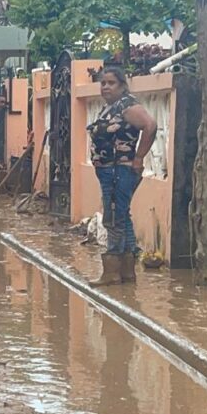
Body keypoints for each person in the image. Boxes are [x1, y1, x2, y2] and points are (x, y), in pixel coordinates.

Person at [86, 66, 158, 286]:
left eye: (111, 83)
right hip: (110, 170)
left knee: (114, 216)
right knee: (122, 216)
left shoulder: (127, 105)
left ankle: (112, 271)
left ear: (122, 86)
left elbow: (150, 126)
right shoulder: (112, 107)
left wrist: (138, 158)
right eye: (103, 83)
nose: (106, 87)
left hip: (119, 169)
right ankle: (126, 272)